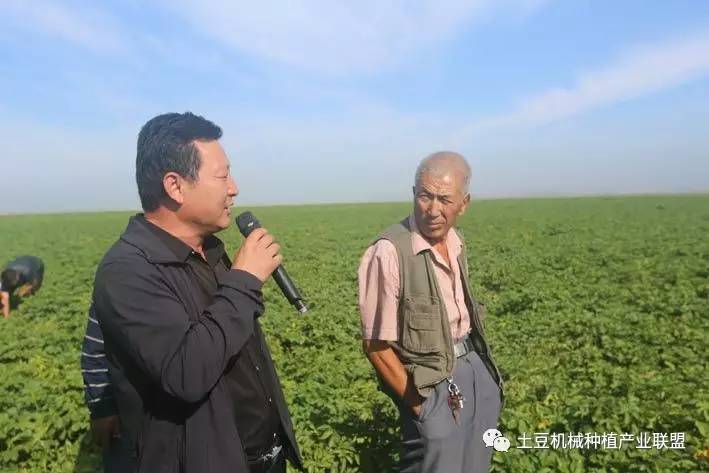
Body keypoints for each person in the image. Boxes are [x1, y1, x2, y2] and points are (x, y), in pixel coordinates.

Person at [92, 112, 302, 473]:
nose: (234, 187)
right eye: (222, 176)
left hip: (264, 459)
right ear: (175, 186)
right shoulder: (128, 270)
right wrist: (245, 281)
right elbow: (185, 373)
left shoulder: (214, 252)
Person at [358, 151, 504, 473]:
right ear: (413, 194)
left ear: (463, 204)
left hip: (473, 368)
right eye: (425, 196)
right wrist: (423, 409)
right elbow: (376, 346)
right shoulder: (388, 252)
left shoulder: (456, 241)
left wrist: (484, 379)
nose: (433, 210)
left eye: (444, 199)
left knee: (476, 464)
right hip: (430, 384)